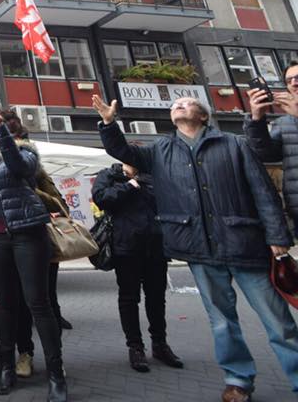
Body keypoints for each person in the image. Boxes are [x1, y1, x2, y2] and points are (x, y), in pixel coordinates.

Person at [94, 94, 298, 402]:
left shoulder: (234, 144)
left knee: (277, 322)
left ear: (203, 115)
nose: (178, 103)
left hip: (245, 245)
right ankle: (238, 381)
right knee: (221, 323)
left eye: (186, 101)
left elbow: (264, 192)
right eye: (174, 103)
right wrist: (109, 123)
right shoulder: (161, 150)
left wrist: (277, 238)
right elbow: (121, 151)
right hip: (199, 250)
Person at [0, 102, 67, 402]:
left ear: (12, 128)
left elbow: (21, 170)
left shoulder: (26, 151)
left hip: (27, 234)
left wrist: (1, 134)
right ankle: (6, 367)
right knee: (5, 304)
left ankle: (56, 375)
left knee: (38, 303)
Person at [92, 162, 183, 373]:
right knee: (129, 298)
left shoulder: (153, 175)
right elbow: (101, 199)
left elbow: (170, 202)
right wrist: (130, 185)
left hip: (155, 247)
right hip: (126, 247)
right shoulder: (109, 175)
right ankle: (135, 347)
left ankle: (160, 344)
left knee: (156, 298)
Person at [244, 64, 298, 238]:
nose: (294, 83)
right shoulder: (284, 122)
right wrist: (256, 119)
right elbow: (265, 154)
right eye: (289, 81)